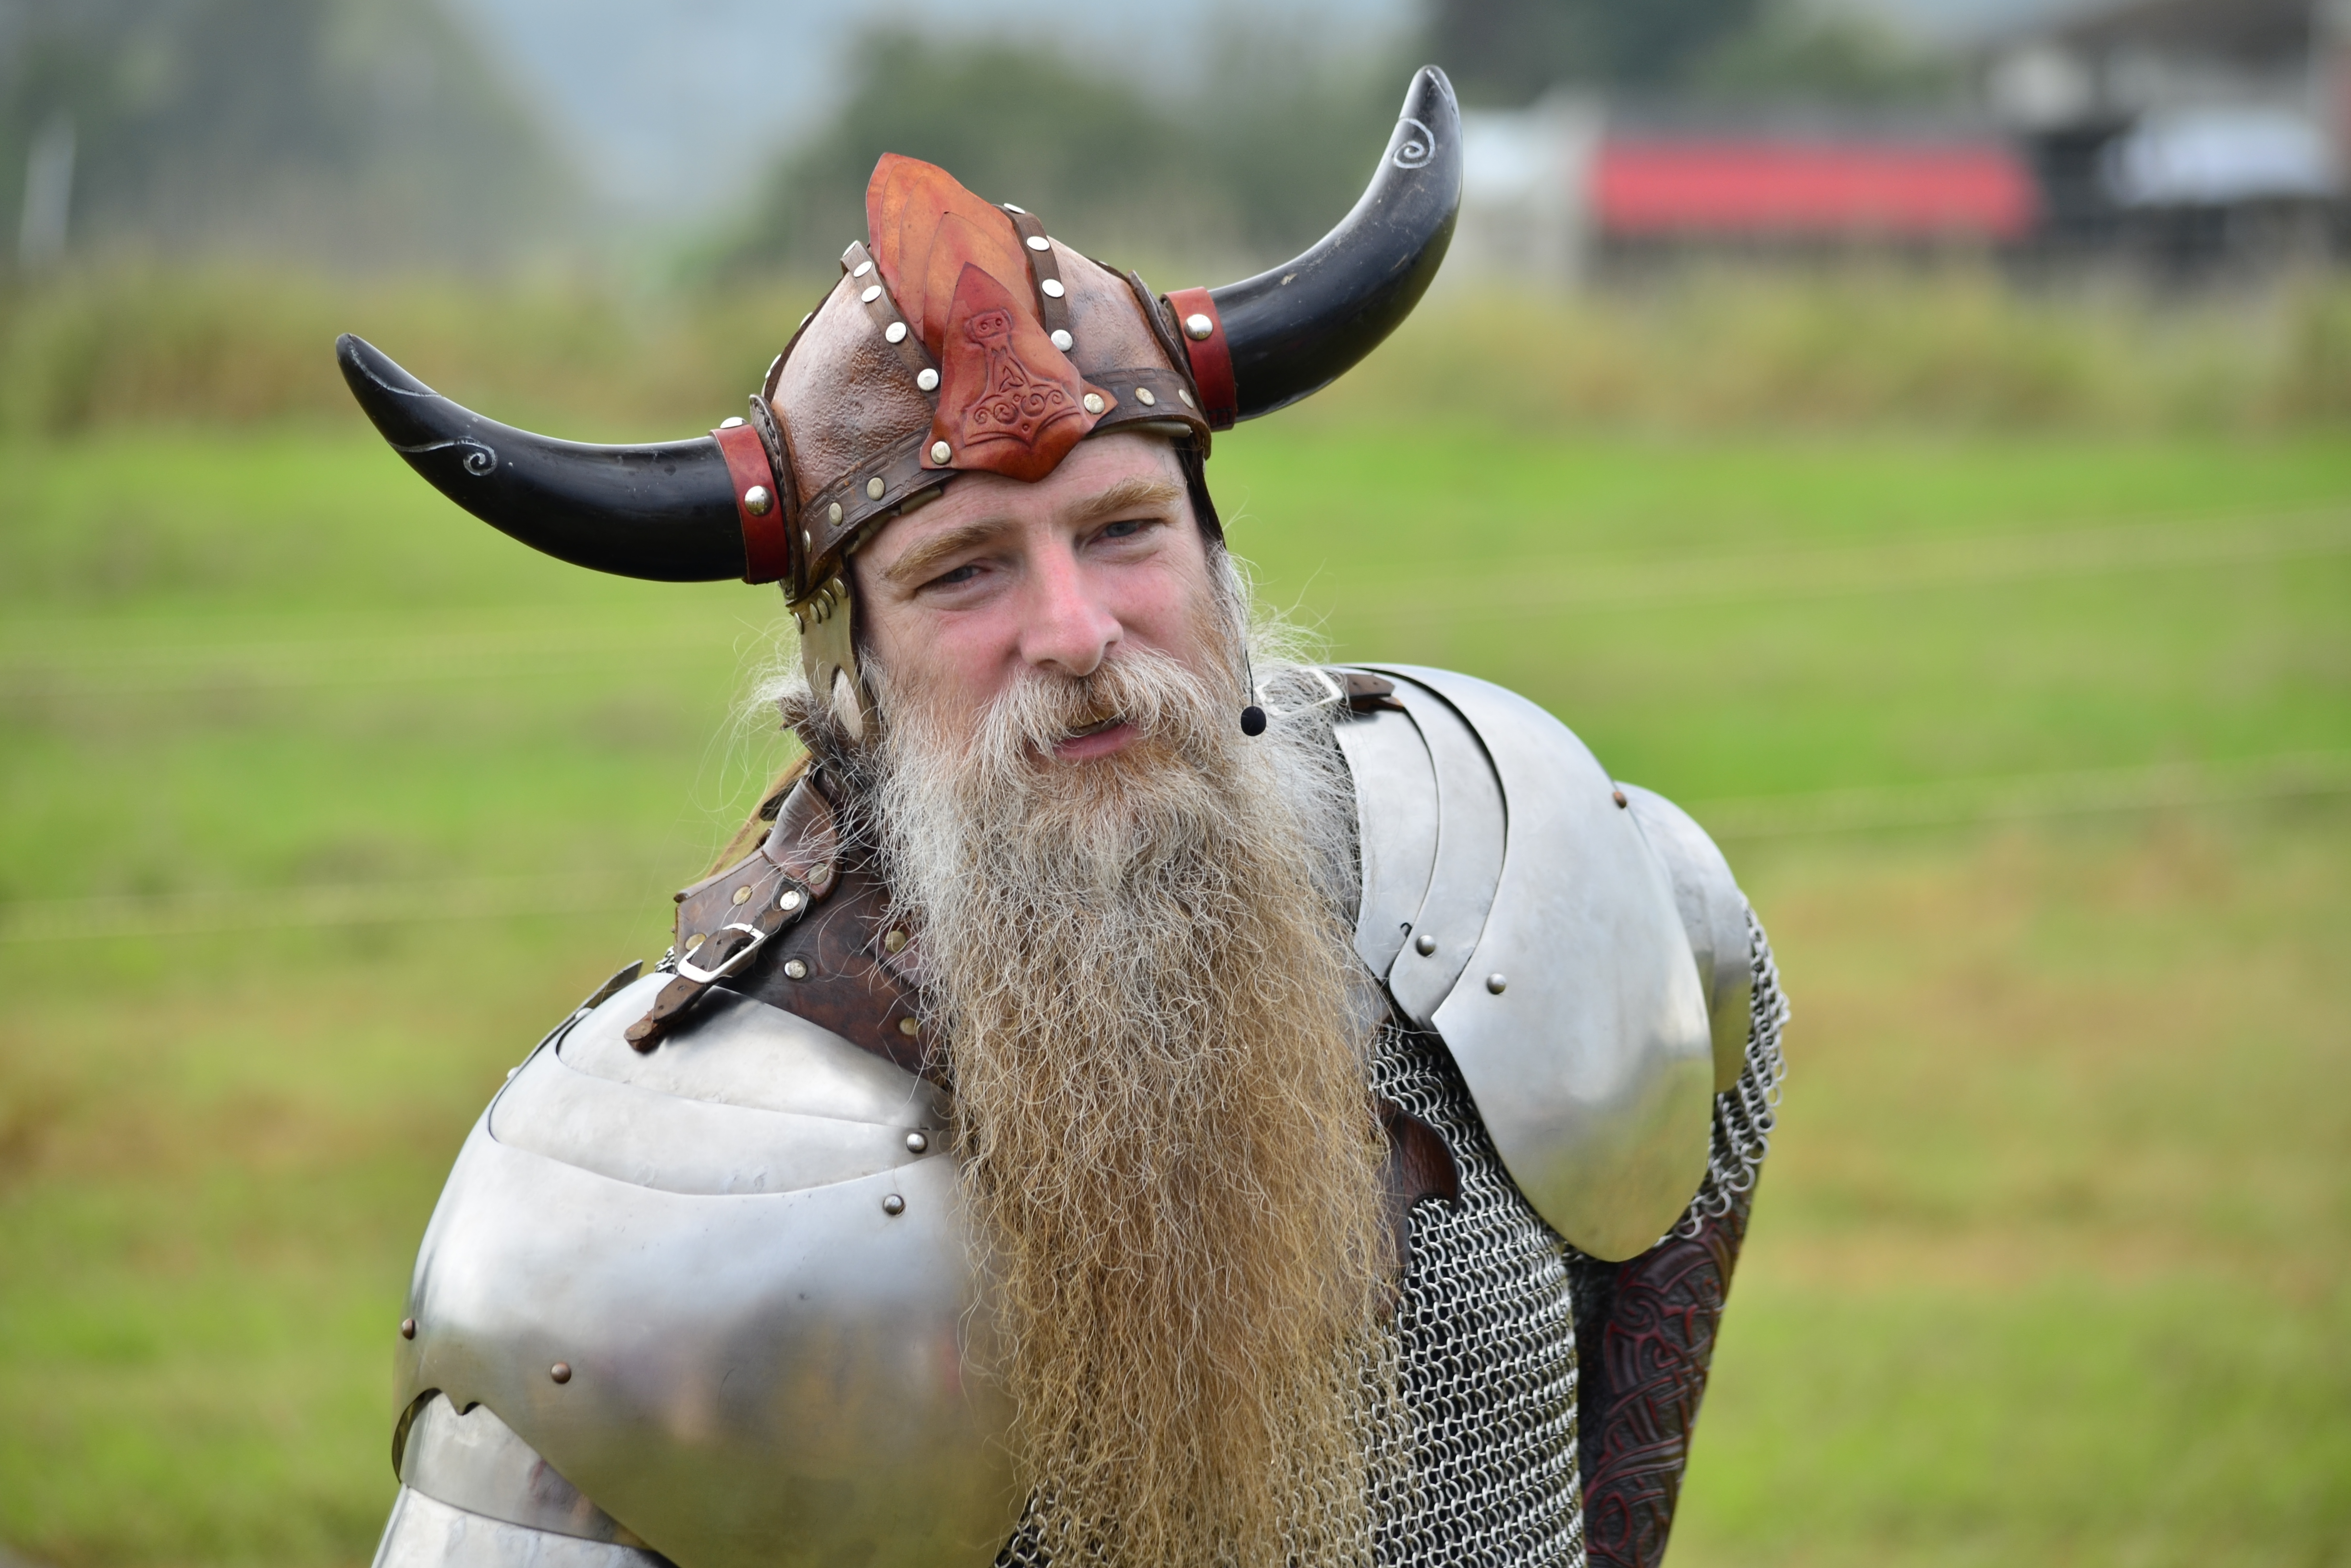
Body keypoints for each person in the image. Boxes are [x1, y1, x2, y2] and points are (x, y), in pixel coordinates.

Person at [341, 67, 1785, 1568]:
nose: (1078, 630)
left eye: (1122, 532)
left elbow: (1707, 1039)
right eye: (964, 571)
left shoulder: (1495, 870)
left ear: (1215, 557)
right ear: (854, 667)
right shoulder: (639, 1208)